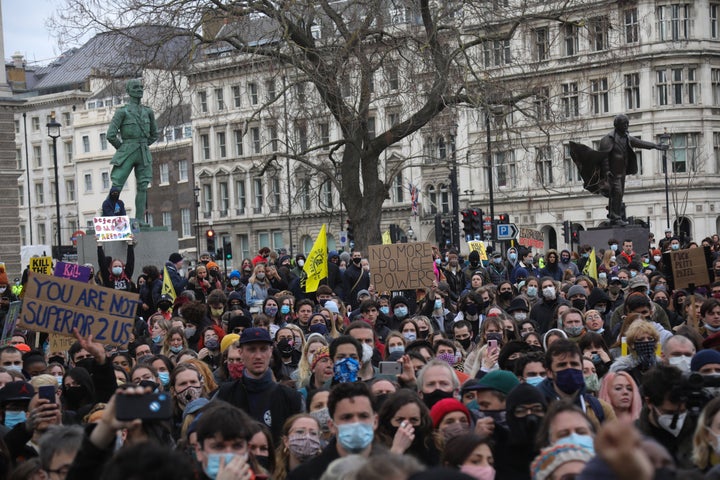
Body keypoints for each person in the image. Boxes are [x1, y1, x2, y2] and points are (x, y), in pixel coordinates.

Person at [569, 114, 667, 225]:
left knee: (617, 194)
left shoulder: (627, 138)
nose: (626, 126)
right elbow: (604, 157)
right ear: (617, 125)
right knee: (617, 193)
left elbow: (640, 143)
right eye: (624, 124)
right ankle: (615, 217)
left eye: (627, 123)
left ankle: (612, 215)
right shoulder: (607, 139)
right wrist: (606, 171)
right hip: (612, 173)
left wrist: (654, 146)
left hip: (622, 172)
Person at [214, 327, 303, 443]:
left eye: (263, 349)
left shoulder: (291, 398)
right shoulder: (226, 394)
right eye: (251, 350)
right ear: (241, 352)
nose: (258, 356)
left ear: (271, 351)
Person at [287, 382, 381, 480]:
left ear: (375, 421)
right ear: (332, 425)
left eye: (363, 416)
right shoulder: (303, 475)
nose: (355, 423)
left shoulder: (392, 470)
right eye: (347, 417)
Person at [106, 78, 158, 218]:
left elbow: (154, 134)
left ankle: (140, 220)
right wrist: (122, 148)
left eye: (141, 87)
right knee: (117, 185)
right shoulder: (122, 112)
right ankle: (110, 216)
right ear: (128, 91)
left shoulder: (148, 112)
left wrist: (144, 145)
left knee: (142, 187)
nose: (139, 90)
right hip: (127, 150)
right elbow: (110, 135)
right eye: (135, 87)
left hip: (143, 152)